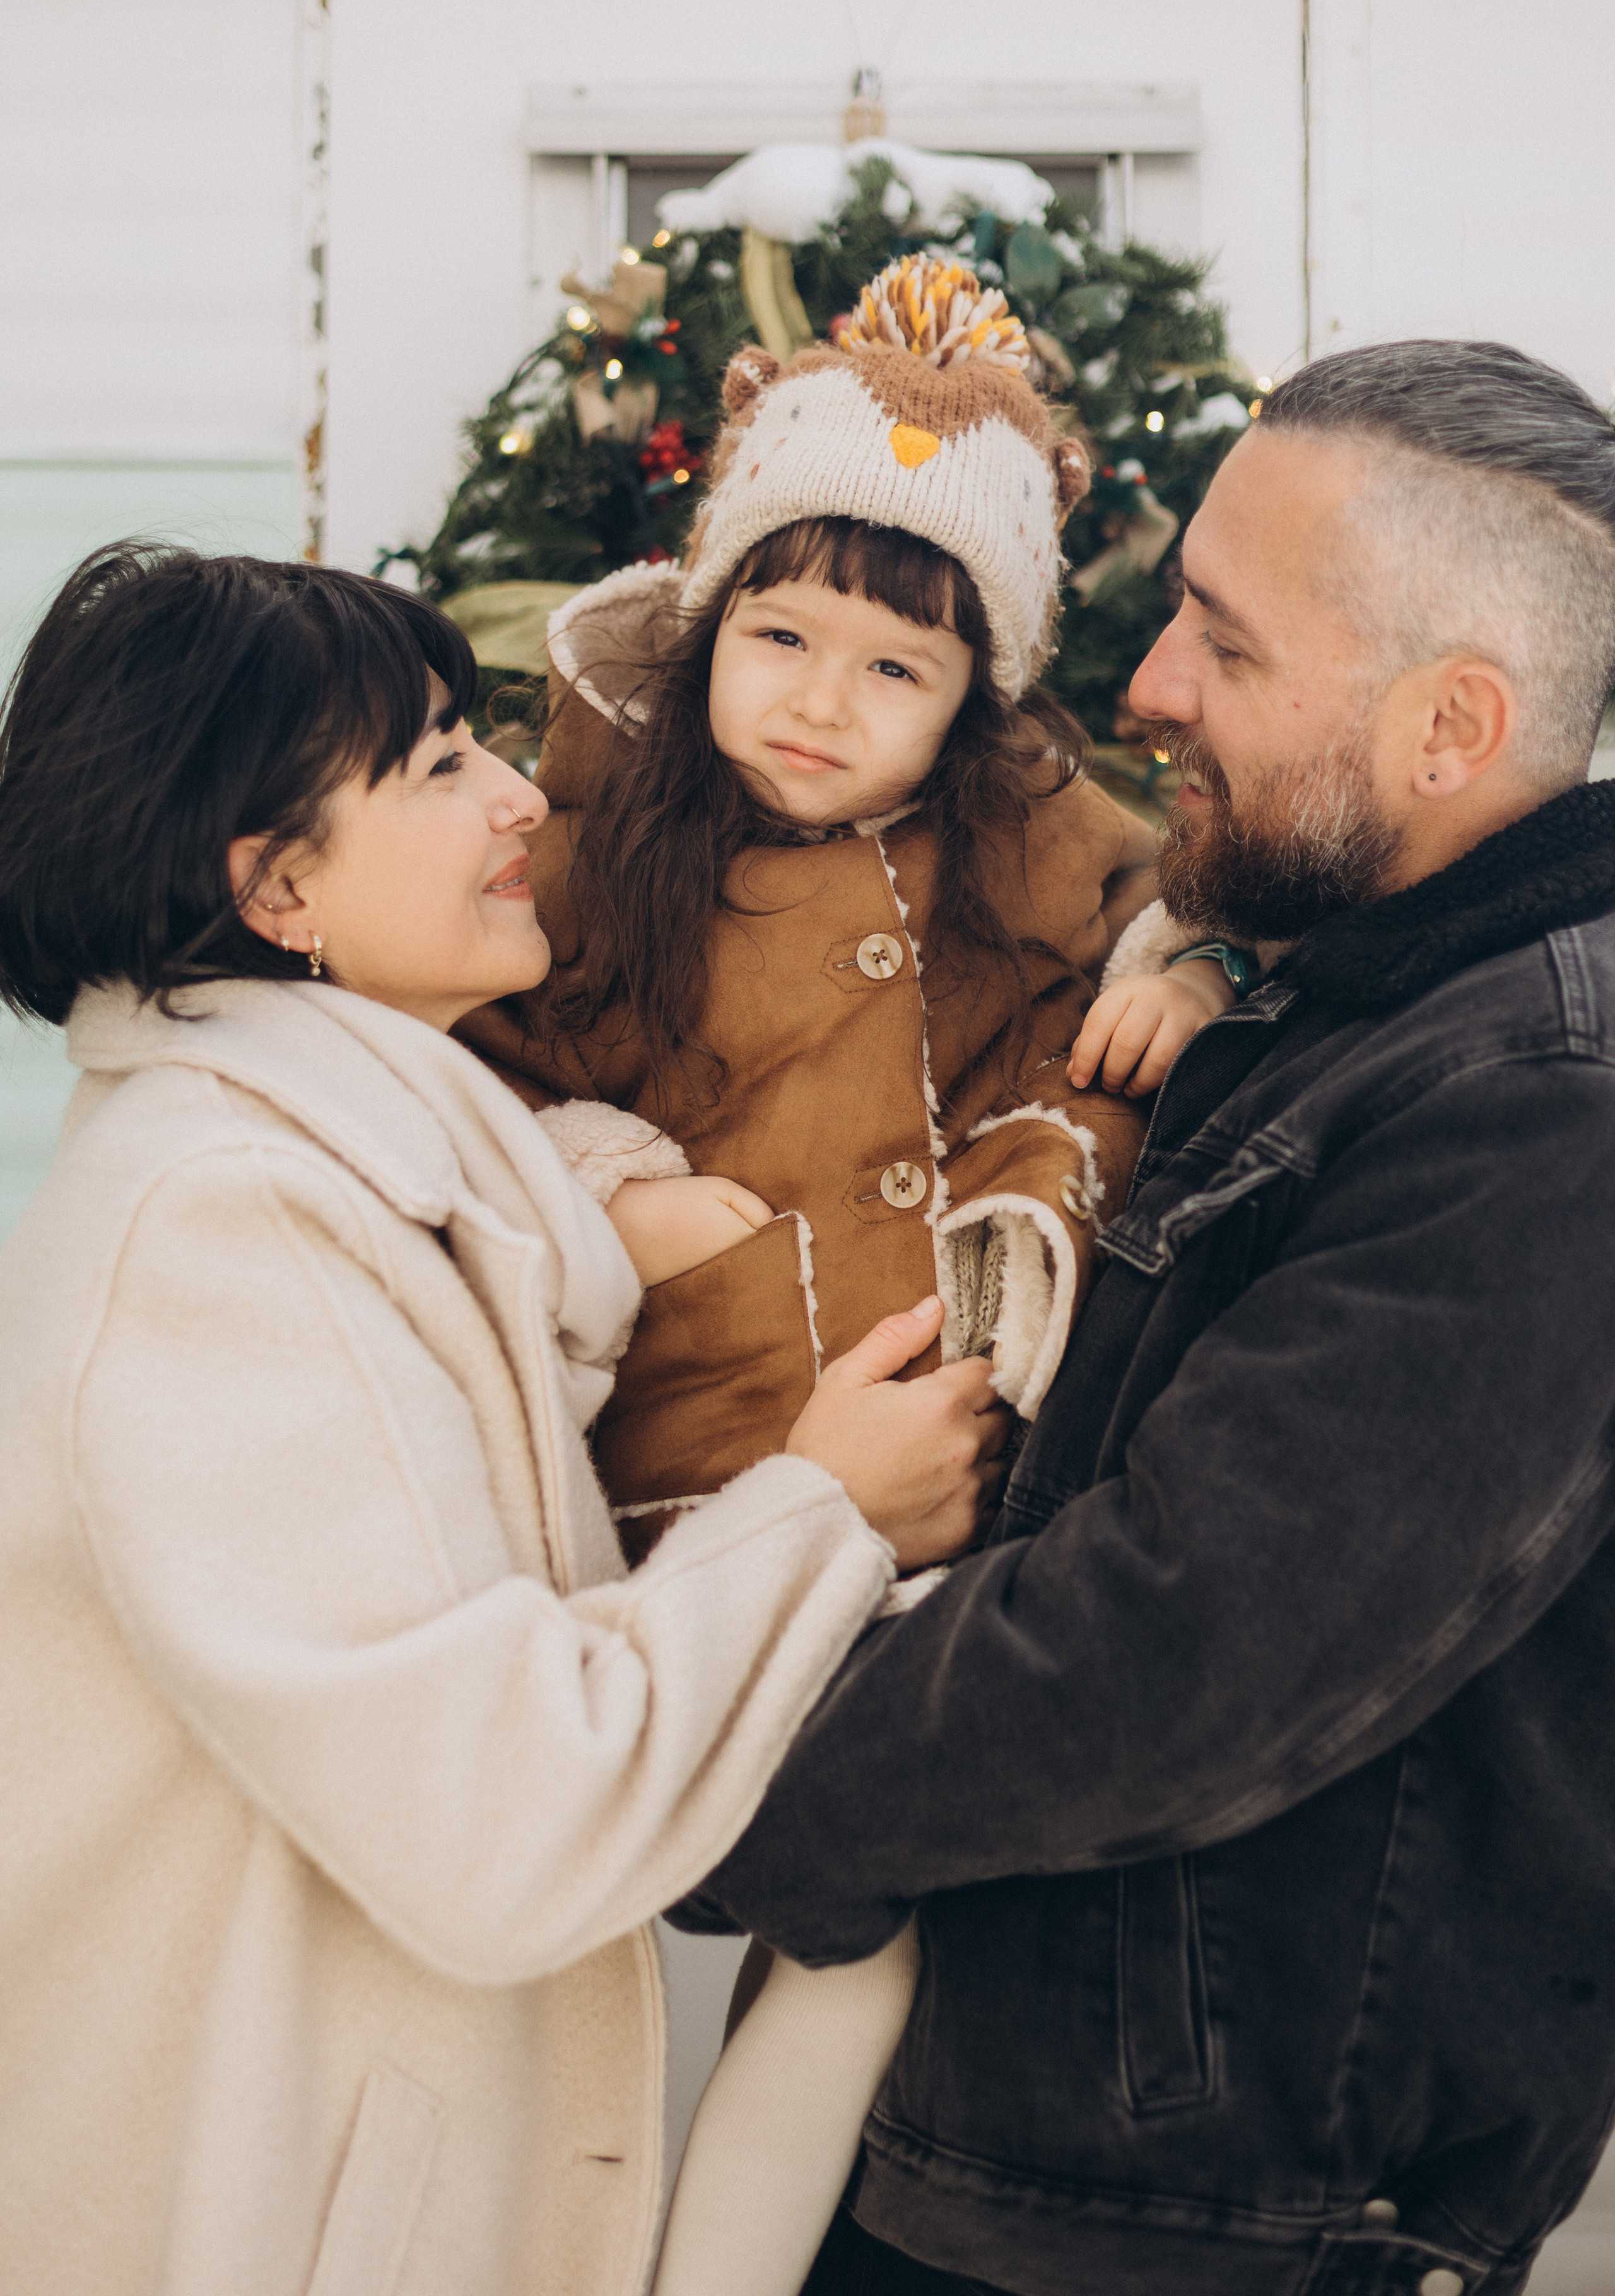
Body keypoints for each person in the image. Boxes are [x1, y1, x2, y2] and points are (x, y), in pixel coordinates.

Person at [670, 339, 1615, 2296]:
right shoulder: (1335, 991)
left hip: (1200, 2222)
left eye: (1225, 643)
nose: (1146, 689)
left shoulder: (1544, 1103)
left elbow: (1179, 1643)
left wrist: (697, 1774)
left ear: (1453, 726)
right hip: (1043, 2143)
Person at [0, 545, 1008, 2296]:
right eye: (439, 763)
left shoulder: (369, 1189)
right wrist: (821, 1509)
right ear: (280, 887)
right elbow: (500, 1818)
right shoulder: (225, 1232)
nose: (520, 795)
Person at [458, 254, 1237, 1565]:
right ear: (711, 624)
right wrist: (602, 1185)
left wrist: (1187, 972)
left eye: (894, 668)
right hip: (701, 1454)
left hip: (977, 1468)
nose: (821, 705)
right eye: (780, 641)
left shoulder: (1024, 825)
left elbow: (1181, 898)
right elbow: (457, 1074)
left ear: (967, 701)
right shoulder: (591, 852)